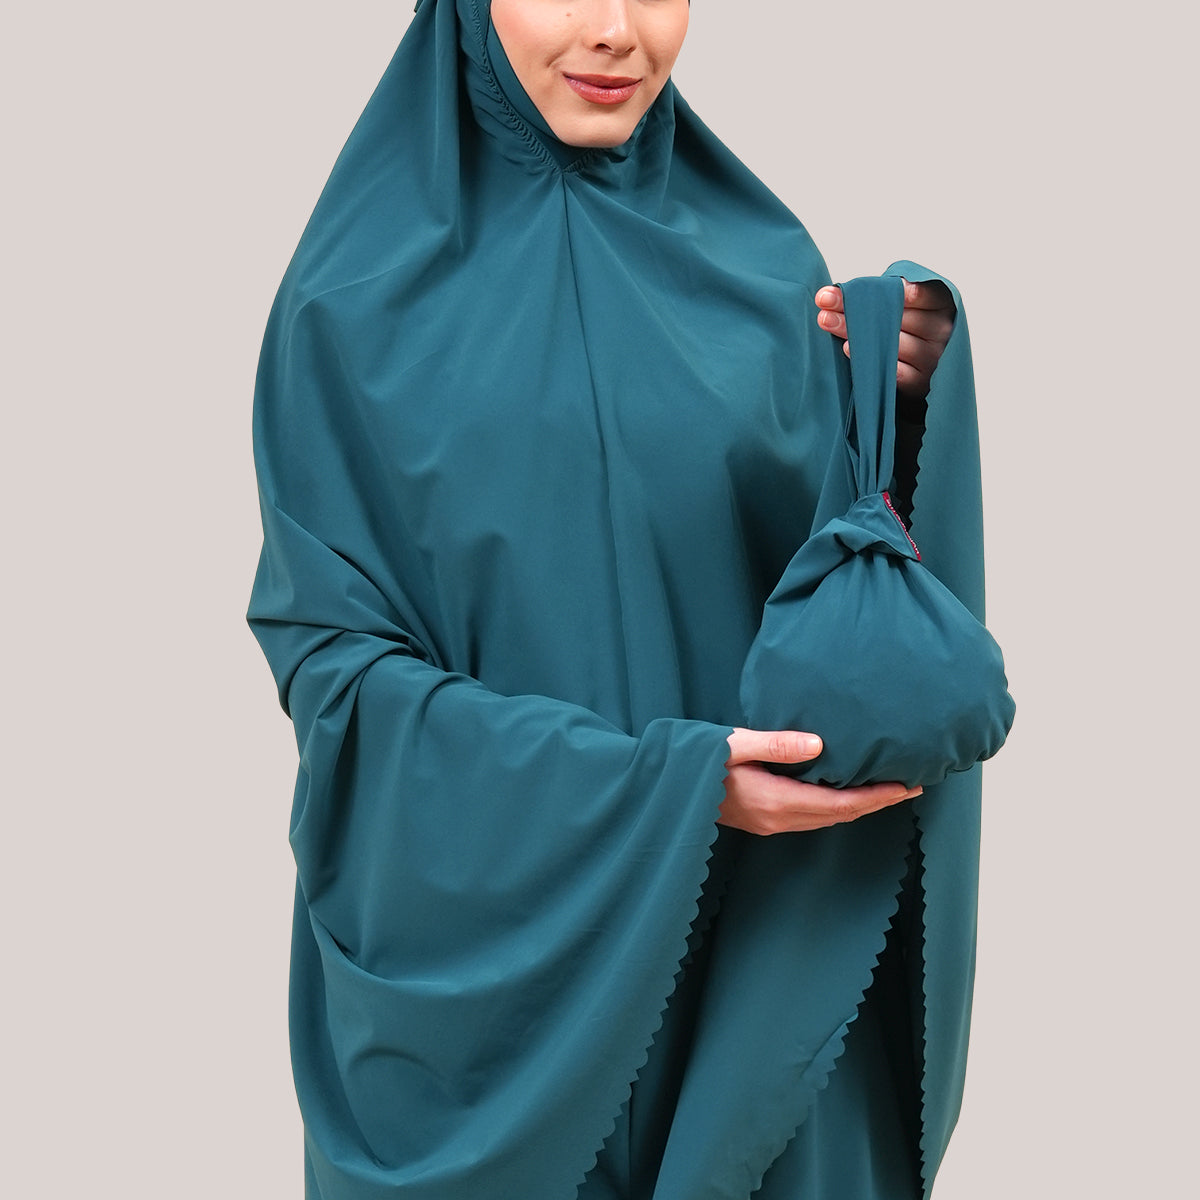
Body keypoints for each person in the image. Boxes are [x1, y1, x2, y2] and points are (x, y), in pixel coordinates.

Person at [248, 2, 982, 1197]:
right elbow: (339, 685)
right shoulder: (351, 307)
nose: (616, 31)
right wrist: (665, 791)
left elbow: (843, 604)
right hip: (505, 1010)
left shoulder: (764, 272)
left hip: (758, 992)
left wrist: (900, 412)